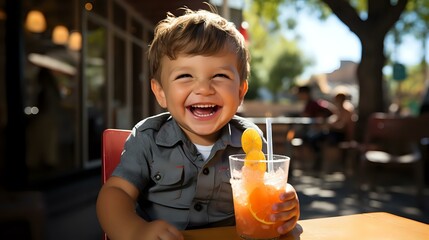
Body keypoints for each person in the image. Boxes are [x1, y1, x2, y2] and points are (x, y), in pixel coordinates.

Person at [96, 7, 300, 240]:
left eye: (220, 76)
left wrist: (285, 202)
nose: (203, 89)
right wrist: (135, 231)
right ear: (160, 92)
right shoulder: (148, 138)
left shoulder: (249, 140)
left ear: (241, 92)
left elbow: (266, 192)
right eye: (185, 76)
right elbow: (115, 193)